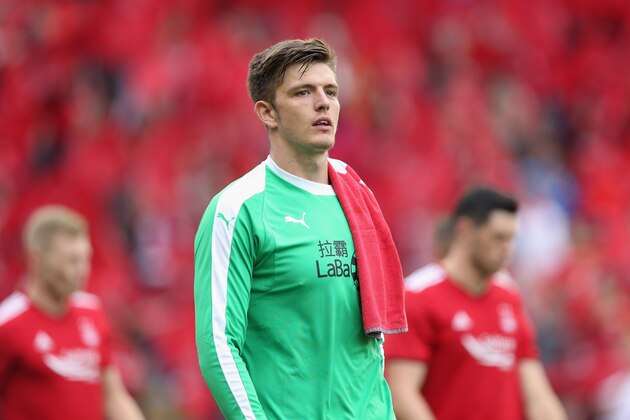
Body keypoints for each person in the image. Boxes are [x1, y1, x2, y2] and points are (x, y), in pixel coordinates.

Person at [194, 38, 406, 419]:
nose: (323, 102)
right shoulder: (237, 208)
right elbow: (220, 345)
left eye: (331, 91)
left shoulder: (358, 194)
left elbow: (371, 334)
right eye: (303, 92)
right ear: (267, 113)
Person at [385, 187, 566, 420]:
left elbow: (536, 392)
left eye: (512, 238)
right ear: (465, 230)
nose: (507, 249)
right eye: (498, 237)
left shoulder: (509, 297)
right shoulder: (418, 296)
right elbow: (401, 393)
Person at [0, 205, 145, 420]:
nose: (83, 269)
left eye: (86, 258)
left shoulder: (92, 312)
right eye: (72, 261)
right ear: (38, 259)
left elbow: (113, 395)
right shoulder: (8, 324)